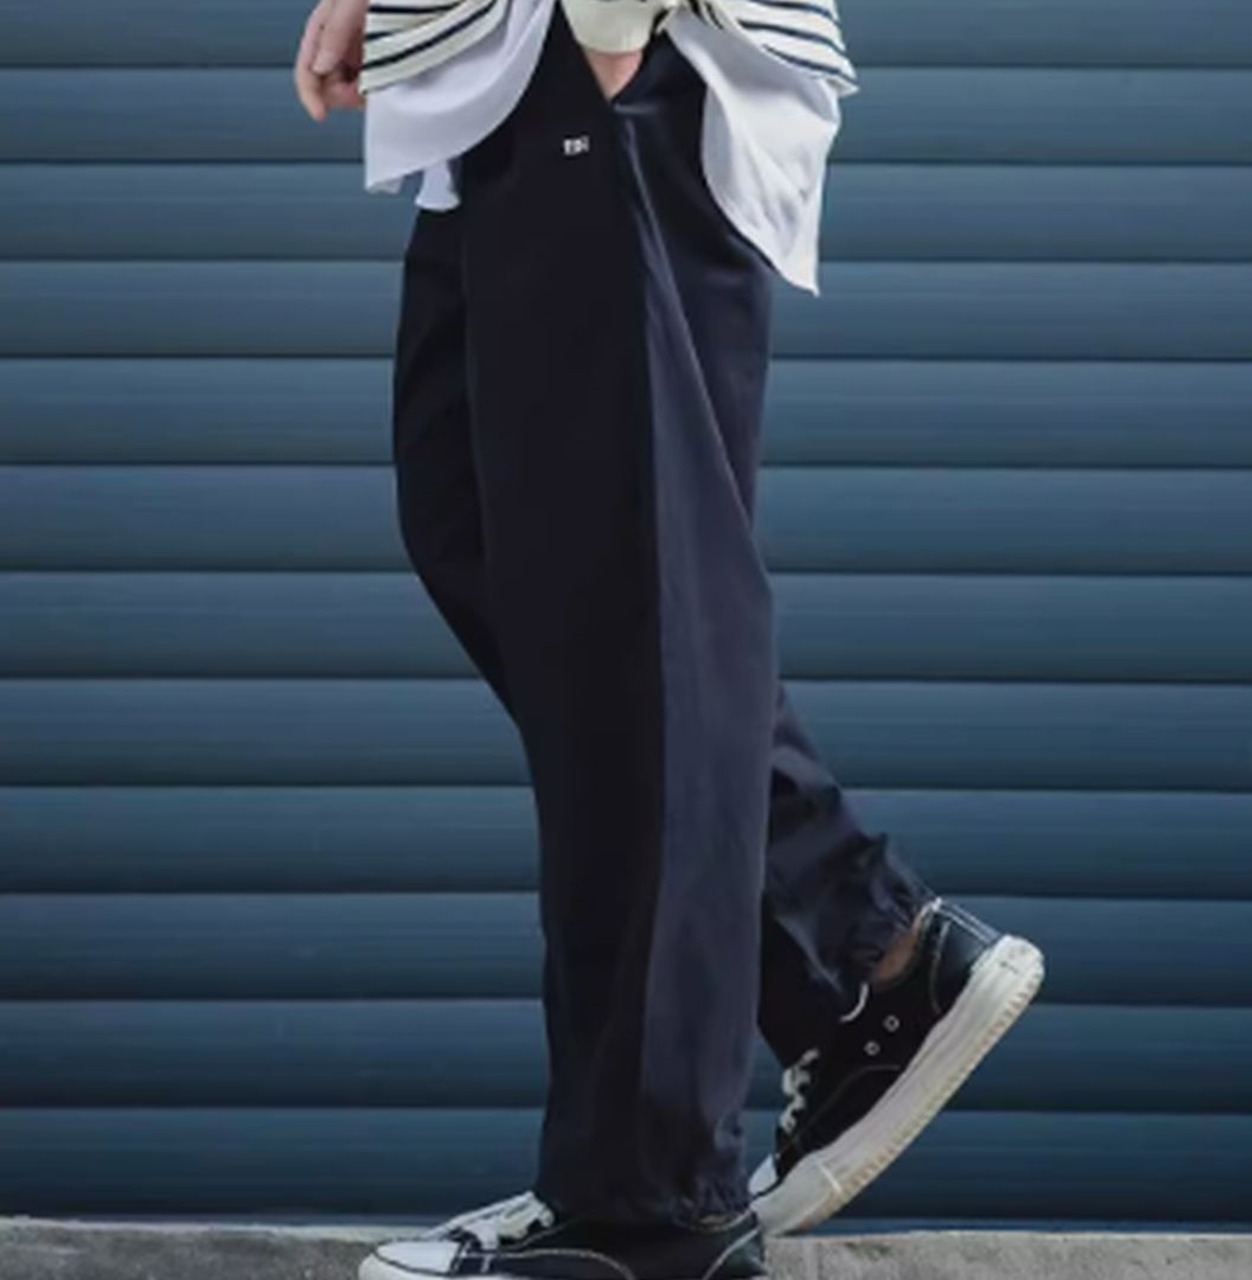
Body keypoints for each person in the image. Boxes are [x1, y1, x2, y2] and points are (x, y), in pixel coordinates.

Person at [292, 4, 1046, 1279]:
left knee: (626, 599)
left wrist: (604, 24)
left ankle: (645, 1204)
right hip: (508, 71)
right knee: (490, 531)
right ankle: (860, 954)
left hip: (607, 54)